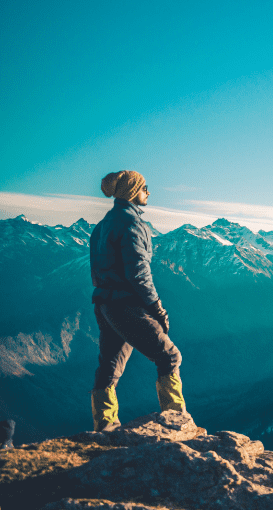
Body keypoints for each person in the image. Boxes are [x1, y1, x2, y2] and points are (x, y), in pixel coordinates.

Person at [89, 170, 186, 432]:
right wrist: (156, 308)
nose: (148, 192)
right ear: (133, 191)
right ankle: (176, 420)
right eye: (145, 188)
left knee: (109, 364)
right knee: (169, 356)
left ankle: (105, 424)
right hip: (127, 306)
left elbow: (98, 270)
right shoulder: (133, 225)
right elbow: (139, 273)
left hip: (105, 305)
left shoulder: (101, 227)